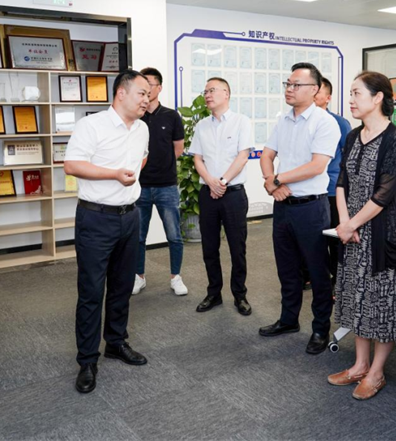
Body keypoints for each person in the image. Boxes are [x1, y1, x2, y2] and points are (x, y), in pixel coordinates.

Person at [64, 70, 152, 394]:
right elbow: (72, 165)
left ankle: (116, 342)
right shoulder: (92, 125)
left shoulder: (142, 129)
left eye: (149, 94)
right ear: (121, 93)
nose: (147, 100)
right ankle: (87, 360)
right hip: (96, 218)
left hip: (130, 216)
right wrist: (114, 175)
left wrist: (126, 180)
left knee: (121, 286)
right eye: (142, 93)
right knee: (91, 290)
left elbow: (142, 159)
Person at [328, 71, 396, 401]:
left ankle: (376, 373)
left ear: (377, 98)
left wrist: (352, 225)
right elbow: (341, 182)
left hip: (380, 235)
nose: (351, 100)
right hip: (352, 233)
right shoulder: (352, 136)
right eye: (350, 93)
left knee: (381, 302)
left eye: (356, 93)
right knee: (356, 298)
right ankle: (359, 365)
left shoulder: (395, 139)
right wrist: (345, 222)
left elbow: (385, 194)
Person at [258, 62, 341, 355]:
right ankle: (288, 319)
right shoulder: (283, 120)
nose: (289, 89)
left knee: (317, 270)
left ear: (314, 89)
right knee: (287, 267)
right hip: (283, 205)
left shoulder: (324, 122)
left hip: (311, 207)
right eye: (288, 84)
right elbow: (267, 155)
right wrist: (272, 183)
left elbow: (317, 166)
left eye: (296, 84)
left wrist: (276, 179)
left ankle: (320, 328)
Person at [190, 77, 254, 316]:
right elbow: (197, 158)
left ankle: (240, 295)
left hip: (233, 194)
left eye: (212, 90)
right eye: (205, 91)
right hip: (208, 193)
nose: (207, 95)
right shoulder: (201, 126)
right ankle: (214, 293)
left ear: (226, 94)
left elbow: (243, 156)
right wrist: (210, 181)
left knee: (237, 247)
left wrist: (223, 181)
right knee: (209, 246)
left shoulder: (241, 122)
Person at [133, 67, 187, 296]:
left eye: (150, 85)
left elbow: (178, 148)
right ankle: (139, 276)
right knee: (138, 237)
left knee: (174, 235)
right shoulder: (135, 116)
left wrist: (163, 164)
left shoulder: (171, 116)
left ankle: (176, 277)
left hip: (167, 186)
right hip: (140, 186)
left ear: (159, 88)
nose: (146, 90)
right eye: (142, 86)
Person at [314, 77, 353, 286]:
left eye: (318, 90)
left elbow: (349, 155)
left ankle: (339, 281)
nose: (313, 94)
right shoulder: (303, 121)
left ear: (328, 97)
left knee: (335, 239)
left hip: (332, 190)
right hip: (310, 191)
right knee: (314, 239)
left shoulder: (339, 123)